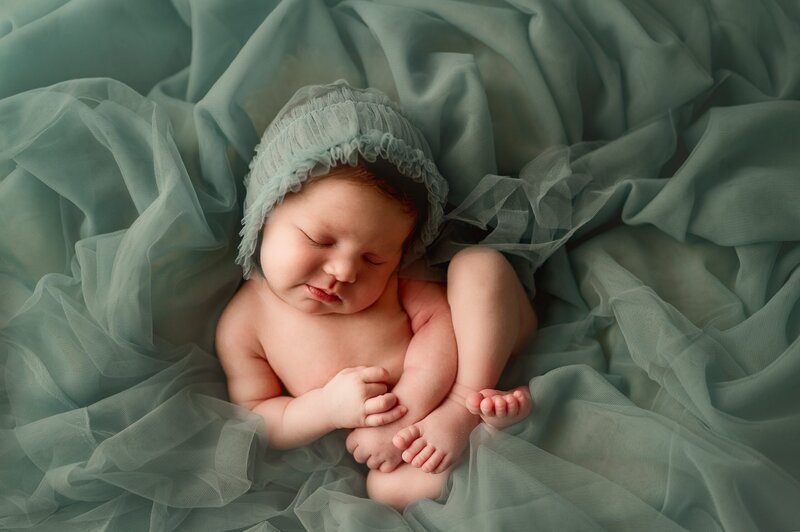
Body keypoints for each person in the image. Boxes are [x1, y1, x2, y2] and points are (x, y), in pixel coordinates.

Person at [215, 81, 538, 511]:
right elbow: (259, 416)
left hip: (479, 356)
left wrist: (412, 407)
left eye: (373, 258)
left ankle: (469, 405)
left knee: (478, 267)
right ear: (265, 213)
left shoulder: (398, 282)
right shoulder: (245, 322)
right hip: (403, 443)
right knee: (384, 491)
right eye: (319, 239)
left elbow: (441, 323)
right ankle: (489, 428)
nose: (345, 271)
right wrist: (325, 408)